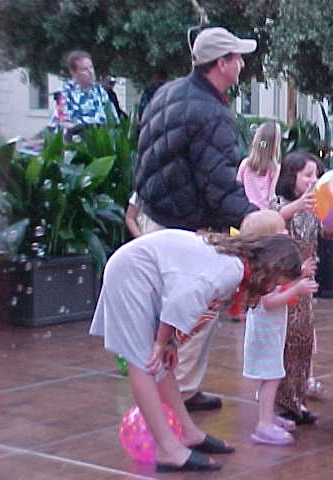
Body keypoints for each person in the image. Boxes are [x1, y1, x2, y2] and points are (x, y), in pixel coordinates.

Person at [90, 230, 303, 472]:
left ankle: (187, 432)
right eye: (276, 283)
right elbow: (182, 298)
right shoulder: (230, 270)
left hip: (142, 273)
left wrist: (169, 343)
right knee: (144, 362)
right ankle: (167, 450)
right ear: (270, 267)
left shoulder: (234, 261)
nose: (271, 289)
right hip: (131, 274)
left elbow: (183, 292)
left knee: (162, 364)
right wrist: (162, 342)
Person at [134, 27, 259, 412]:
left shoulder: (168, 92)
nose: (241, 63)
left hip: (155, 217)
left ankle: (182, 390)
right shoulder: (211, 112)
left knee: (170, 316)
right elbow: (218, 184)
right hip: (185, 227)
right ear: (221, 64)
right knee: (191, 314)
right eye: (237, 57)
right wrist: (256, 219)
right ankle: (177, 396)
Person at [240, 210, 318, 445]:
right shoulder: (263, 273)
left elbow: (281, 287)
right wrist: (297, 289)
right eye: (281, 231)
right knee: (271, 377)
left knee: (273, 376)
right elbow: (269, 301)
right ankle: (264, 424)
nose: (287, 233)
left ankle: (269, 416)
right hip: (266, 336)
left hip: (272, 332)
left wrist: (299, 274)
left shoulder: (270, 268)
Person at [272, 151, 333, 424]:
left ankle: (297, 399)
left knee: (304, 341)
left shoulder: (314, 207)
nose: (314, 180)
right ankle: (279, 400)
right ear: (290, 176)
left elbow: (328, 231)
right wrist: (299, 204)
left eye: (316, 175)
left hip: (306, 280)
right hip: (283, 280)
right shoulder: (280, 203)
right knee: (284, 340)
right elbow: (273, 220)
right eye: (307, 174)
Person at [51, 51, 118, 131]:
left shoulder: (100, 91)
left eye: (91, 67)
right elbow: (62, 123)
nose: (90, 72)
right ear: (73, 73)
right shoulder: (64, 94)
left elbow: (113, 119)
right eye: (84, 69)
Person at [237, 121, 282, 209]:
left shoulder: (245, 163)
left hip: (245, 210)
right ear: (275, 144)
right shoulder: (274, 167)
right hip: (263, 213)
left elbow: (237, 187)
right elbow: (271, 196)